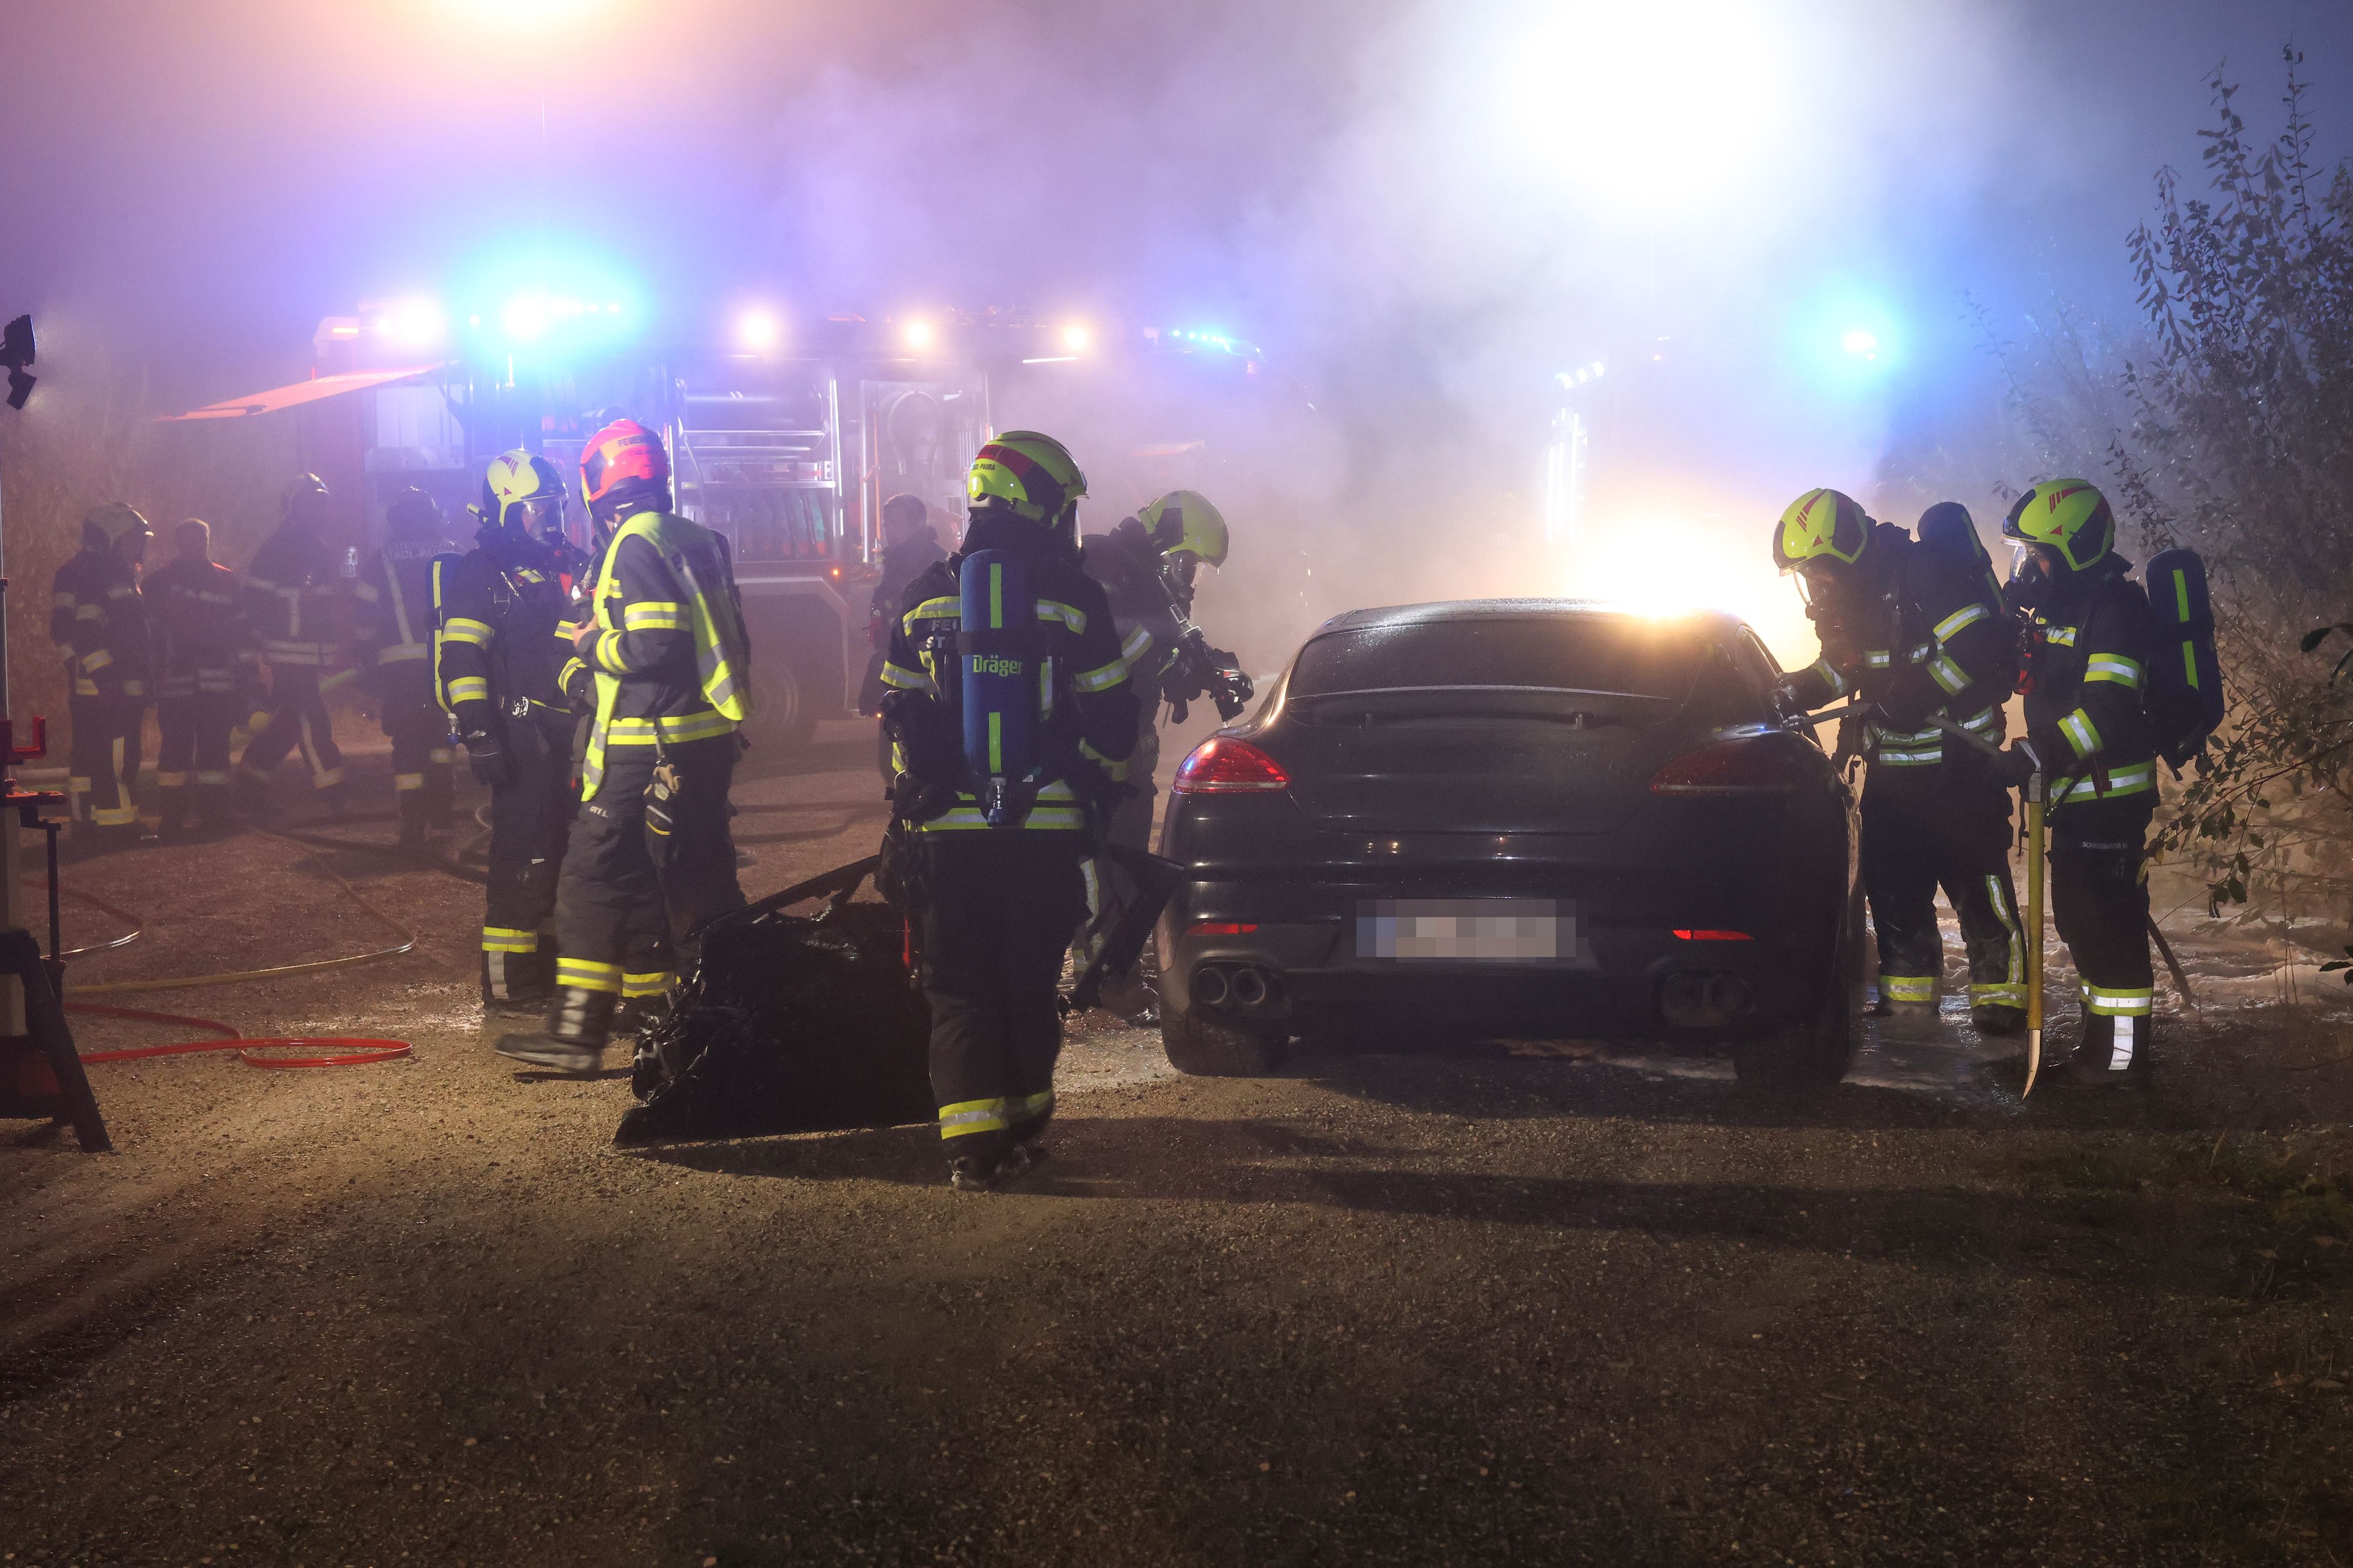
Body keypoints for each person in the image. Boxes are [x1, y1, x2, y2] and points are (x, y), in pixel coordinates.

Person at [878, 431, 1138, 1190]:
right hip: (1043, 831)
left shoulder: (926, 592)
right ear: (1043, 504)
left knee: (958, 986)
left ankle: (970, 1146)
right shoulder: (1073, 595)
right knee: (1027, 981)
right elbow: (1113, 719)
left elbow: (897, 712)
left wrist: (910, 805)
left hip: (946, 838)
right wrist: (1100, 785)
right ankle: (1024, 1130)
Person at [495, 419, 752, 1073]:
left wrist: (586, 647)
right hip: (701, 742)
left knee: (590, 879)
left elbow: (651, 644)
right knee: (702, 881)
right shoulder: (698, 537)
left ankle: (575, 1037)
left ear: (598, 484)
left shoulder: (634, 543)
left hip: (644, 748)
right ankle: (732, 1020)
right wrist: (581, 674)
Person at [1770, 489, 2028, 1035]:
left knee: (1980, 892)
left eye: (1817, 567)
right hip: (1892, 777)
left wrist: (1919, 694)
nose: (1814, 581)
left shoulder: (1923, 573)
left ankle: (2002, 1007)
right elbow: (1842, 670)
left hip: (1961, 771)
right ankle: (1909, 1018)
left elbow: (1976, 646)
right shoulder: (1844, 600)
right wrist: (1796, 690)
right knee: (1895, 897)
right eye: (1804, 571)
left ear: (1847, 551)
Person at [1993, 478, 2161, 1084]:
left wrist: (2036, 755)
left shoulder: (2115, 610)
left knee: (2104, 925)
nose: (2028, 566)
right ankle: (2101, 1050)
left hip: (2108, 796)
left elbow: (2106, 714)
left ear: (2074, 549)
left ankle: (2119, 1065)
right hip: (2076, 793)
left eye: (2036, 554)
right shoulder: (2065, 607)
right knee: (2081, 920)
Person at [438, 451, 594, 1011]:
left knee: (565, 856)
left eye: (553, 509)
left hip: (573, 740)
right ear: (505, 512)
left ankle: (547, 975)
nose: (549, 521)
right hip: (520, 737)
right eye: (535, 511)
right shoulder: (482, 572)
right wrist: (479, 734)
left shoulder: (570, 562)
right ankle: (508, 985)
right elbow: (460, 657)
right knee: (522, 858)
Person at [1071, 489, 1235, 1019]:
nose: (1189, 577)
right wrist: (1171, 656)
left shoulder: (1140, 578)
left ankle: (1110, 965)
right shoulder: (1104, 563)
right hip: (1095, 751)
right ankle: (1101, 972)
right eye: (1188, 561)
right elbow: (1109, 651)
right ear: (1166, 542)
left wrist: (1190, 669)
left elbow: (1145, 659)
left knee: (1121, 860)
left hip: (1126, 752)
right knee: (1101, 860)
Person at [237, 473, 349, 810]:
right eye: (311, 502)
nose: (319, 509)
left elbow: (325, 602)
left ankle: (250, 781)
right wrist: (258, 644)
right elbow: (254, 601)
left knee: (287, 723)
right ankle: (332, 791)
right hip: (289, 652)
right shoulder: (277, 548)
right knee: (312, 720)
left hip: (307, 653)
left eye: (321, 502)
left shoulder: (317, 546)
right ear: (294, 506)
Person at [354, 486, 459, 846]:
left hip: (399, 669)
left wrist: (367, 662)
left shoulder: (379, 559)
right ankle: (443, 818)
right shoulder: (452, 553)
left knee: (409, 745)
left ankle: (413, 825)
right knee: (442, 743)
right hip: (445, 667)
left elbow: (364, 618)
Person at [50, 503, 156, 850]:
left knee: (88, 758)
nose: (139, 548)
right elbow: (77, 632)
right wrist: (104, 677)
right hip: (111, 687)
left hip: (101, 684)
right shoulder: (99, 575)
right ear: (110, 538)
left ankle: (87, 826)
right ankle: (119, 830)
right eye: (132, 540)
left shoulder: (113, 572)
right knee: (117, 759)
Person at [149, 518, 256, 836]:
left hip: (217, 687)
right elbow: (150, 635)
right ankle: (172, 818)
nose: (195, 546)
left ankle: (215, 815)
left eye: (200, 540)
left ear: (208, 542)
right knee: (174, 756)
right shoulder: (160, 583)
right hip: (176, 686)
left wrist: (249, 678)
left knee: (215, 756)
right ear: (178, 544)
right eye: (188, 540)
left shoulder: (227, 582)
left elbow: (242, 634)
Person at [858, 493, 948, 721]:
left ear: (919, 523)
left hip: (920, 680)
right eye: (886, 524)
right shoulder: (897, 562)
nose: (889, 531)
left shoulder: (933, 566)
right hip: (895, 668)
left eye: (895, 524)